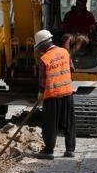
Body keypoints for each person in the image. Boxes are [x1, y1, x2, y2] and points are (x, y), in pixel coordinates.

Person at [33, 29, 76, 160]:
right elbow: (72, 69)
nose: (40, 50)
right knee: (69, 122)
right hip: (68, 93)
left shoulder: (44, 59)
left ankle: (49, 151)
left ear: (44, 44)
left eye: (40, 47)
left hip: (52, 95)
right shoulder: (65, 52)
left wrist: (40, 95)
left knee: (50, 124)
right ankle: (70, 150)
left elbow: (42, 81)